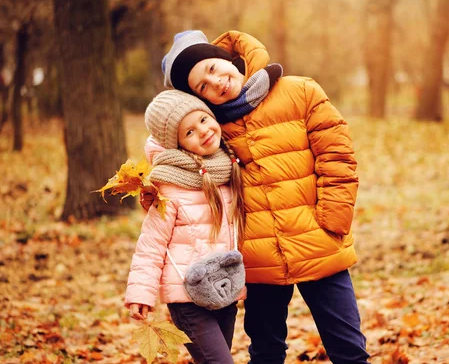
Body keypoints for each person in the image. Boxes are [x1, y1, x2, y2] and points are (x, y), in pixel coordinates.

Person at [146, 29, 370, 364]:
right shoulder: (211, 129)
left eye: (211, 69)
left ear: (224, 59)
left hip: (320, 242)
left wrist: (332, 223)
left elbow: (337, 157)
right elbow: (175, 167)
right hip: (257, 257)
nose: (215, 83)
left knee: (349, 350)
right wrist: (150, 192)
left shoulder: (301, 91)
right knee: (266, 353)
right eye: (202, 87)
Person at [125, 89, 246, 364]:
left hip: (225, 289)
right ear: (178, 145)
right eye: (189, 132)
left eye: (203, 120)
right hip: (187, 297)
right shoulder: (170, 185)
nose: (202, 131)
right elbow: (152, 242)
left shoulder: (231, 168)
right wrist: (141, 292)